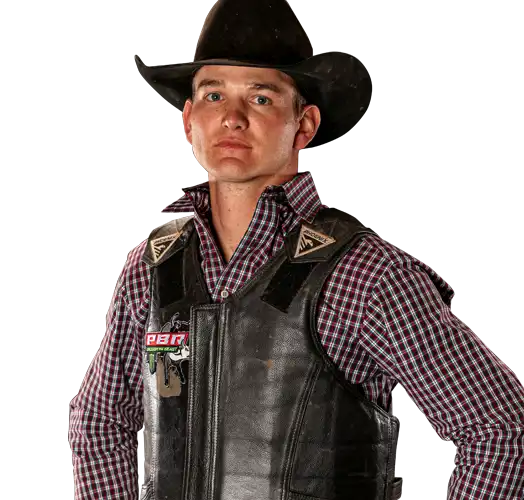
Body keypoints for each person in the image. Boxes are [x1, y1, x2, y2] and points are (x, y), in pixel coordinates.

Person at [68, 0, 524, 499]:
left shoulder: (365, 274)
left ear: (303, 126)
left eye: (261, 98)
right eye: (214, 95)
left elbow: (499, 427)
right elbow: (99, 424)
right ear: (190, 120)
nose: (232, 118)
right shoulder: (153, 268)